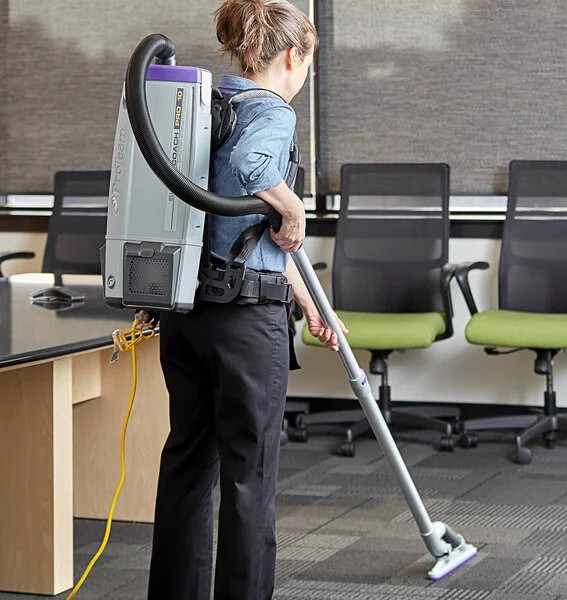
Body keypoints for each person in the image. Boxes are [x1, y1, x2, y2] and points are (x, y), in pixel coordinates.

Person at [147, 2, 346, 599]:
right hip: (244, 325)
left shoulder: (204, 106)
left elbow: (233, 228)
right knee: (249, 478)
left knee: (187, 465)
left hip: (188, 315)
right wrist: (295, 206)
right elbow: (250, 166)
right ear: (294, 56)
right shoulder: (271, 111)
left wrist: (305, 298)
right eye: (309, 60)